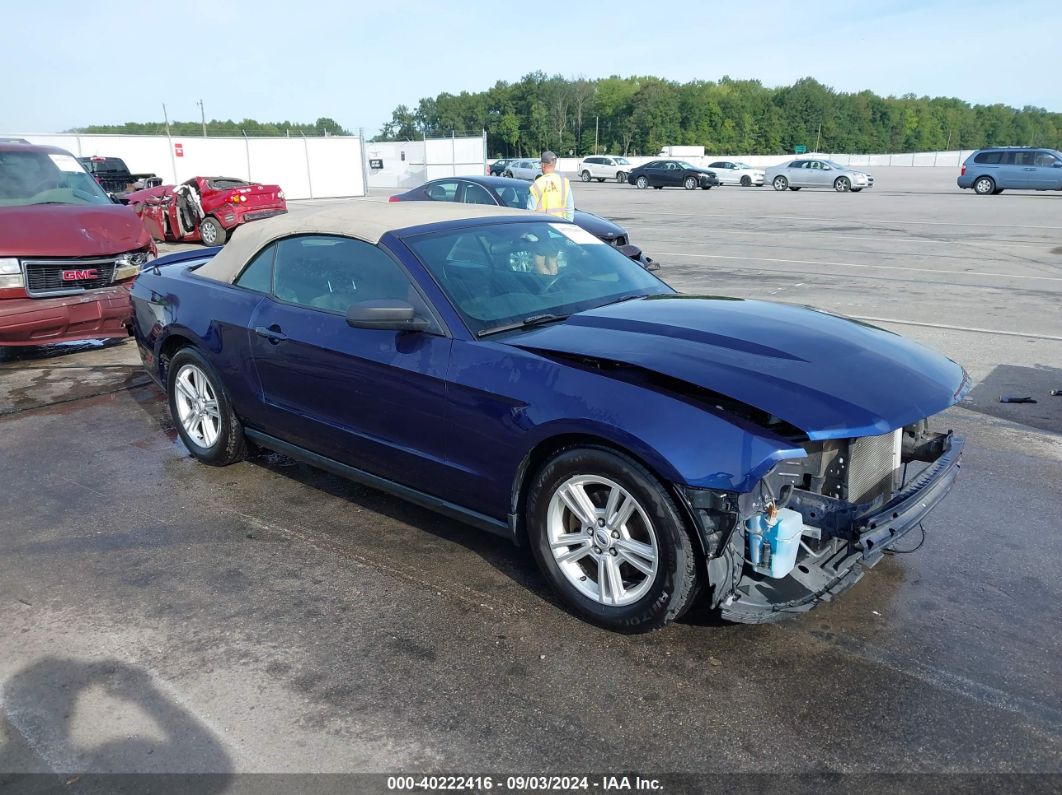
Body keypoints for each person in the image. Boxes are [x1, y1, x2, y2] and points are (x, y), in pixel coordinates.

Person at [526, 151, 574, 275]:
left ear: (542, 165)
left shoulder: (537, 184)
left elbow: (529, 213)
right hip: (560, 231)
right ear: (554, 164)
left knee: (538, 264)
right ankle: (555, 284)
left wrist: (528, 233)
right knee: (552, 260)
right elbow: (570, 209)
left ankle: (549, 287)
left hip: (543, 232)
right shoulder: (564, 182)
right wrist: (568, 230)